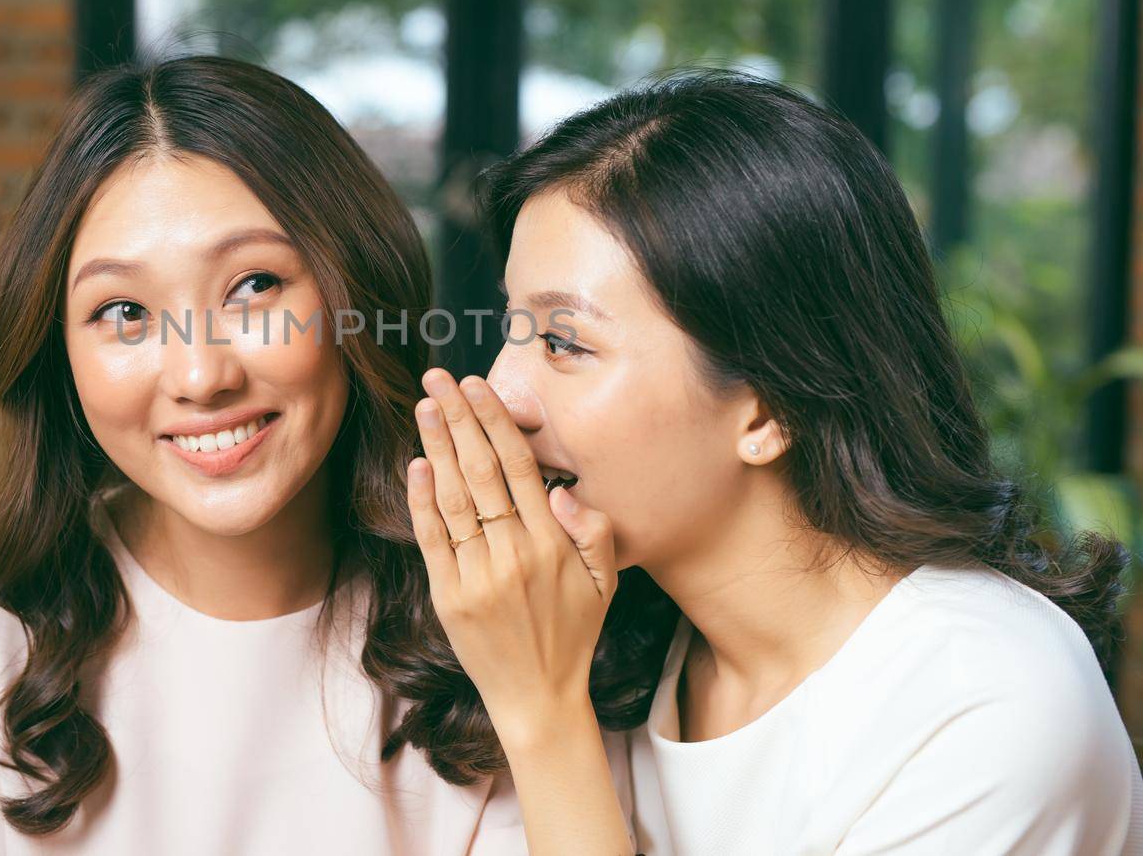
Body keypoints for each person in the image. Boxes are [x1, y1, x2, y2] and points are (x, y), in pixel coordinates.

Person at [403, 69, 1143, 855]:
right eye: (513, 327)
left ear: (769, 410)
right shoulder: (603, 637)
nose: (497, 392)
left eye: (563, 342)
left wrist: (544, 717)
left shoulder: (987, 710)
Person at [0, 56, 530, 854]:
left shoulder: (499, 611)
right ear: (58, 353)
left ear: (356, 298)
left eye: (253, 286)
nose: (202, 376)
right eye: (125, 310)